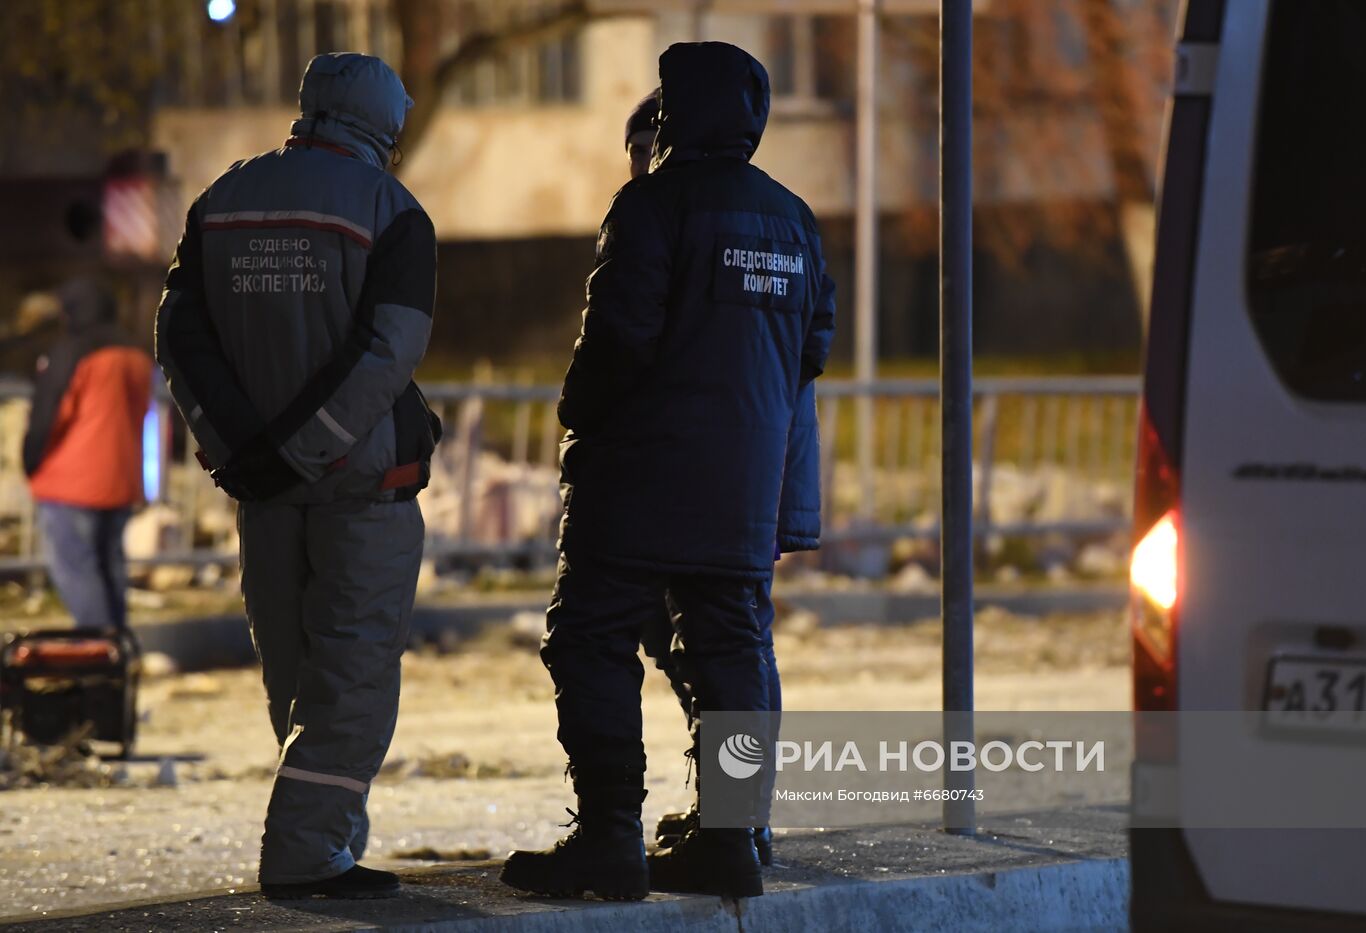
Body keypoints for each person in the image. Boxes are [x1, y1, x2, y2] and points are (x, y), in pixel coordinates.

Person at [501, 42, 835, 901]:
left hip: (644, 476)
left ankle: (608, 836)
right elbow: (813, 348)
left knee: (591, 636)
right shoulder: (795, 220)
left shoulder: (653, 206)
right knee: (730, 648)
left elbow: (620, 335)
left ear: (679, 111)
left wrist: (579, 410)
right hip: (742, 489)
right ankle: (729, 837)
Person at [154, 52, 439, 901]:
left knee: (295, 672)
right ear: (386, 123)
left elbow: (180, 334)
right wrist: (307, 445)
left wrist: (242, 447)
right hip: (363, 485)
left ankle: (331, 843)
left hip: (263, 488)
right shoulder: (394, 211)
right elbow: (388, 352)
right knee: (350, 680)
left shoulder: (224, 198)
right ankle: (307, 855)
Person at [623, 88, 824, 868]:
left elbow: (645, 341)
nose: (640, 166)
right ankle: (735, 815)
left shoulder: (679, 220)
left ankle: (736, 823)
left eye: (646, 149)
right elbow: (813, 340)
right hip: (752, 463)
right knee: (714, 636)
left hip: (710, 469)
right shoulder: (782, 216)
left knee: (723, 637)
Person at [23, 279, 152, 633]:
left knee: (77, 570)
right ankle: (120, 654)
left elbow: (49, 415)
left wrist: (30, 461)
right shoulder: (137, 353)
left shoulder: (73, 351)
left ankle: (99, 658)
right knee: (109, 567)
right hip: (122, 479)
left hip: (72, 481)